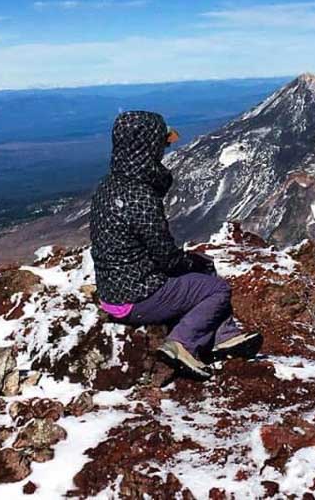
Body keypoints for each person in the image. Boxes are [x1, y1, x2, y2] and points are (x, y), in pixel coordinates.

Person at [89, 111, 259, 379]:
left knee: (203, 270)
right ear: (148, 147)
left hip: (113, 291)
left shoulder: (110, 185)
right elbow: (166, 258)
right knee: (217, 289)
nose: (165, 149)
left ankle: (224, 337)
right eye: (162, 144)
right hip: (137, 297)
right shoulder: (139, 195)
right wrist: (190, 262)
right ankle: (182, 343)